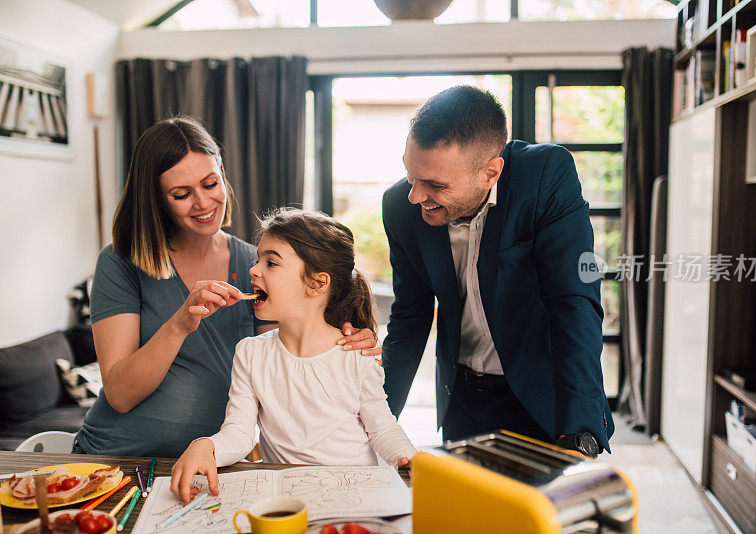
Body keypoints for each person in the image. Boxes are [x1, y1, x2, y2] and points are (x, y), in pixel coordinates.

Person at [73, 117, 380, 457]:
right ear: (156, 199)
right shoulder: (121, 262)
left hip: (214, 465)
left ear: (222, 174)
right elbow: (119, 394)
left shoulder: (256, 265)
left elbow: (287, 363)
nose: (203, 203)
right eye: (181, 194)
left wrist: (345, 345)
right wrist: (179, 325)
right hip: (119, 457)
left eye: (210, 183)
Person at [381, 85, 614, 456]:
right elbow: (410, 316)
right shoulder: (399, 206)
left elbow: (574, 300)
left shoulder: (544, 176)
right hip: (463, 398)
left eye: (435, 185)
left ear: (491, 172)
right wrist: (375, 419)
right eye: (412, 176)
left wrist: (580, 427)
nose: (415, 196)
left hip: (543, 398)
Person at [169, 208, 416, 503]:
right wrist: (206, 445)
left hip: (354, 498)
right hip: (289, 499)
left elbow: (383, 429)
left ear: (317, 283)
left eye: (271, 263)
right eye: (257, 260)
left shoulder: (356, 355)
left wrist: (410, 458)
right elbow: (240, 432)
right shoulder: (250, 353)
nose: (254, 270)